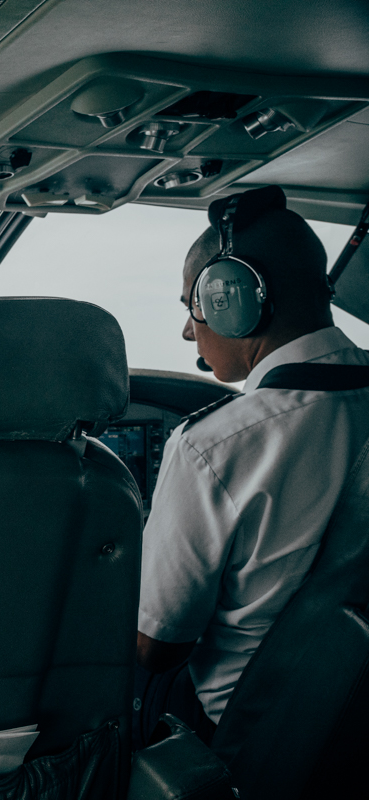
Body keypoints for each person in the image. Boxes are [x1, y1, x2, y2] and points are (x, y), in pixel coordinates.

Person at [134, 185, 369, 747]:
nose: (190, 331)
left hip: (253, 728)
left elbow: (157, 646)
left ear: (231, 300)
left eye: (193, 305)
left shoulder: (215, 446)